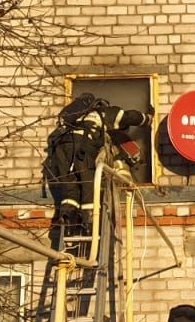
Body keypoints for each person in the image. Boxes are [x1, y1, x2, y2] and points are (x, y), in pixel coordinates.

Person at [41, 92, 147, 246]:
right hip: (82, 147)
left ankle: (68, 223)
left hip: (60, 151)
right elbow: (129, 117)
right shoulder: (103, 113)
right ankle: (90, 226)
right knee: (89, 186)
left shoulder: (74, 116)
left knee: (70, 190)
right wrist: (147, 119)